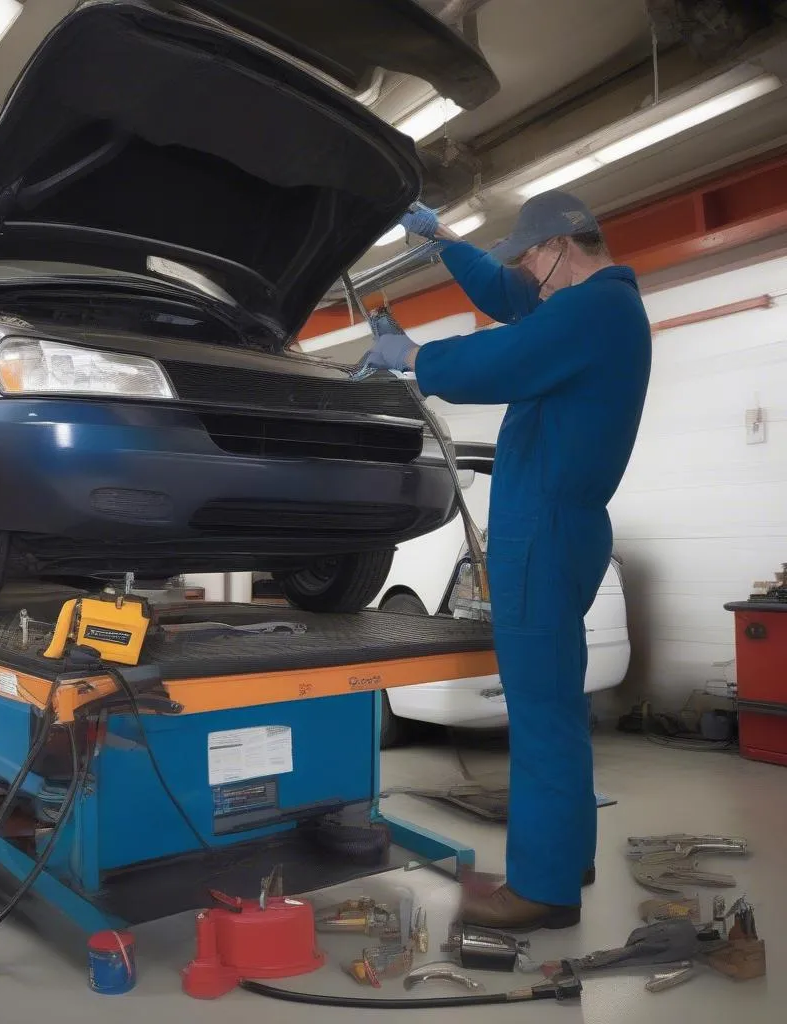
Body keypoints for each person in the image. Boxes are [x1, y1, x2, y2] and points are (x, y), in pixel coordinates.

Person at [361, 190, 651, 931]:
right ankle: (569, 853)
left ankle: (543, 888)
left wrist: (415, 356)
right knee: (559, 705)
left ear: (562, 244)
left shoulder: (592, 310)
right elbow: (509, 297)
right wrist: (446, 241)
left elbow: (504, 357)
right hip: (565, 524)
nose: (529, 274)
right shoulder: (593, 307)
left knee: (541, 711)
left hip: (544, 528)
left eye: (531, 257)